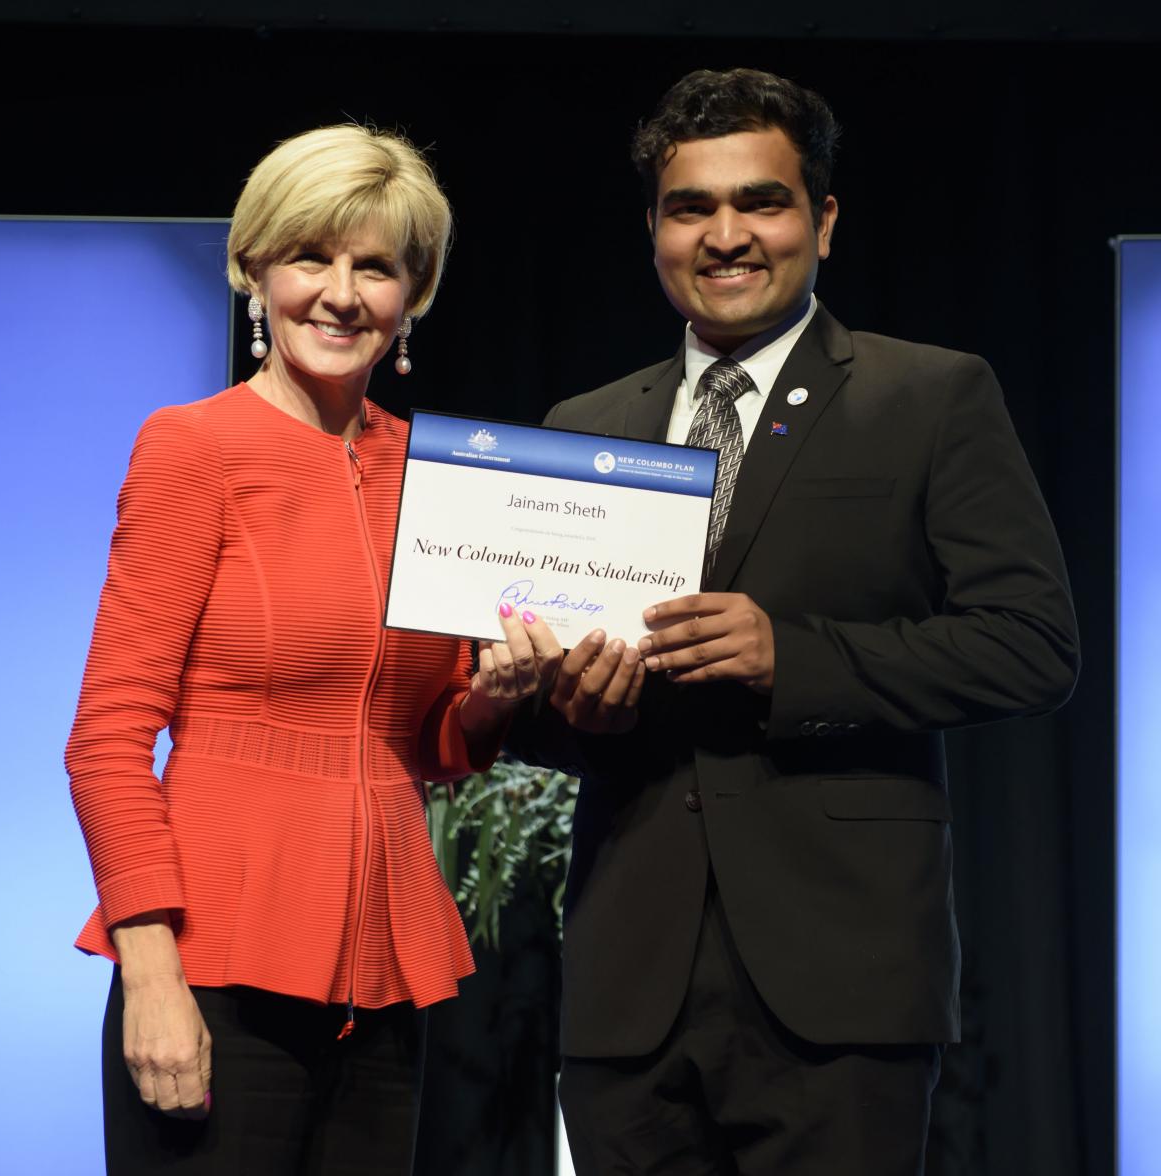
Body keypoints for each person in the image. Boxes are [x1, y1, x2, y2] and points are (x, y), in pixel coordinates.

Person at [509, 68, 1080, 1174]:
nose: (726, 235)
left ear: (821, 219)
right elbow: (555, 723)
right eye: (691, 208)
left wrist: (794, 660)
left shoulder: (929, 395)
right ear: (655, 230)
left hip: (841, 983)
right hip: (632, 984)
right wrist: (575, 709)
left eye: (760, 202)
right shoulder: (585, 428)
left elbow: (1032, 643)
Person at [66, 124, 562, 1176]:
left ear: (412, 292)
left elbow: (417, 740)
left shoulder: (432, 474)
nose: (341, 294)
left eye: (375, 267)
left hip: (379, 969)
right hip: (217, 967)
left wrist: (489, 702)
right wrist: (152, 974)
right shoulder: (191, 447)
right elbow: (107, 740)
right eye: (310, 257)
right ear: (256, 268)